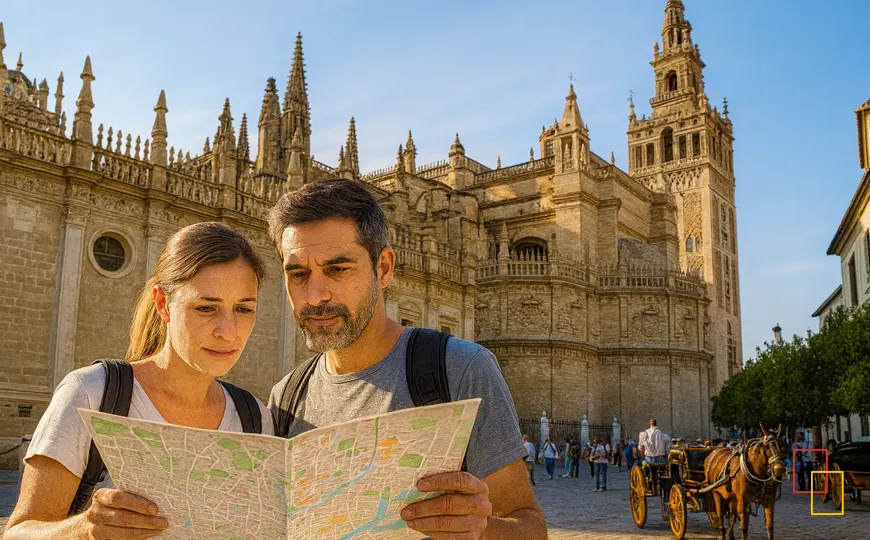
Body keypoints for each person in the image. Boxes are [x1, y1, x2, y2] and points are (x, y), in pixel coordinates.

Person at [265, 178, 546, 538]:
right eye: (298, 274)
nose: (316, 294)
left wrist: (482, 530)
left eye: (338, 269)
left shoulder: (461, 370)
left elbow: (530, 525)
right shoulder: (285, 399)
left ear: (383, 268)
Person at [5, 222, 274, 540]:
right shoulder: (92, 393)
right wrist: (83, 529)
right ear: (163, 304)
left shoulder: (255, 418)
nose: (229, 331)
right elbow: (18, 532)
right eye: (206, 307)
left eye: (244, 309)